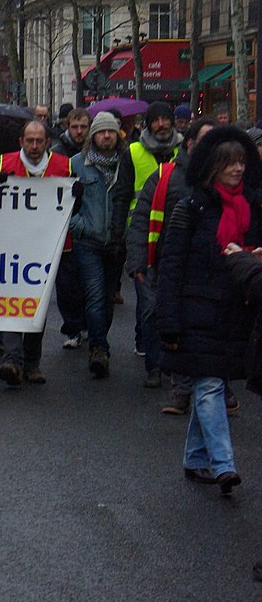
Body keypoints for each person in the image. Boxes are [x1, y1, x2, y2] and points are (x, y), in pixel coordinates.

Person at [156, 126, 262, 495]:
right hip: (194, 313)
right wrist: (167, 320)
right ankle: (223, 464)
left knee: (211, 384)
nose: (237, 169)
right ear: (212, 167)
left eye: (242, 163)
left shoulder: (253, 209)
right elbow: (170, 265)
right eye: (229, 163)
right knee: (210, 384)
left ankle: (195, 458)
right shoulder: (191, 207)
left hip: (235, 313)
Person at [125, 115, 216, 401]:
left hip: (210, 266)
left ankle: (203, 382)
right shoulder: (166, 176)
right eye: (206, 141)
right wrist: (137, 261)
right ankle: (158, 367)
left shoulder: (226, 178)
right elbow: (141, 218)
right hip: (166, 263)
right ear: (190, 144)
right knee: (159, 315)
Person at [0, 119, 73, 387]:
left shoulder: (64, 166)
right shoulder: (5, 164)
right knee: (12, 302)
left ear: (48, 142)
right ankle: (12, 359)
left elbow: (71, 206)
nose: (35, 145)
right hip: (11, 245)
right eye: (30, 140)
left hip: (45, 248)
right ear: (21, 142)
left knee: (37, 306)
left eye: (40, 141)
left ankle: (31, 363)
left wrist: (79, 195)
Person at [68, 111, 134, 379]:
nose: (106, 136)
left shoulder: (127, 163)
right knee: (94, 295)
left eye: (110, 131)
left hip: (117, 243)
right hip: (89, 242)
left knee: (107, 299)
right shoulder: (76, 164)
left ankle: (99, 338)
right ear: (93, 136)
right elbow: (64, 205)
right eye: (101, 131)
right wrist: (81, 226)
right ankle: (99, 348)